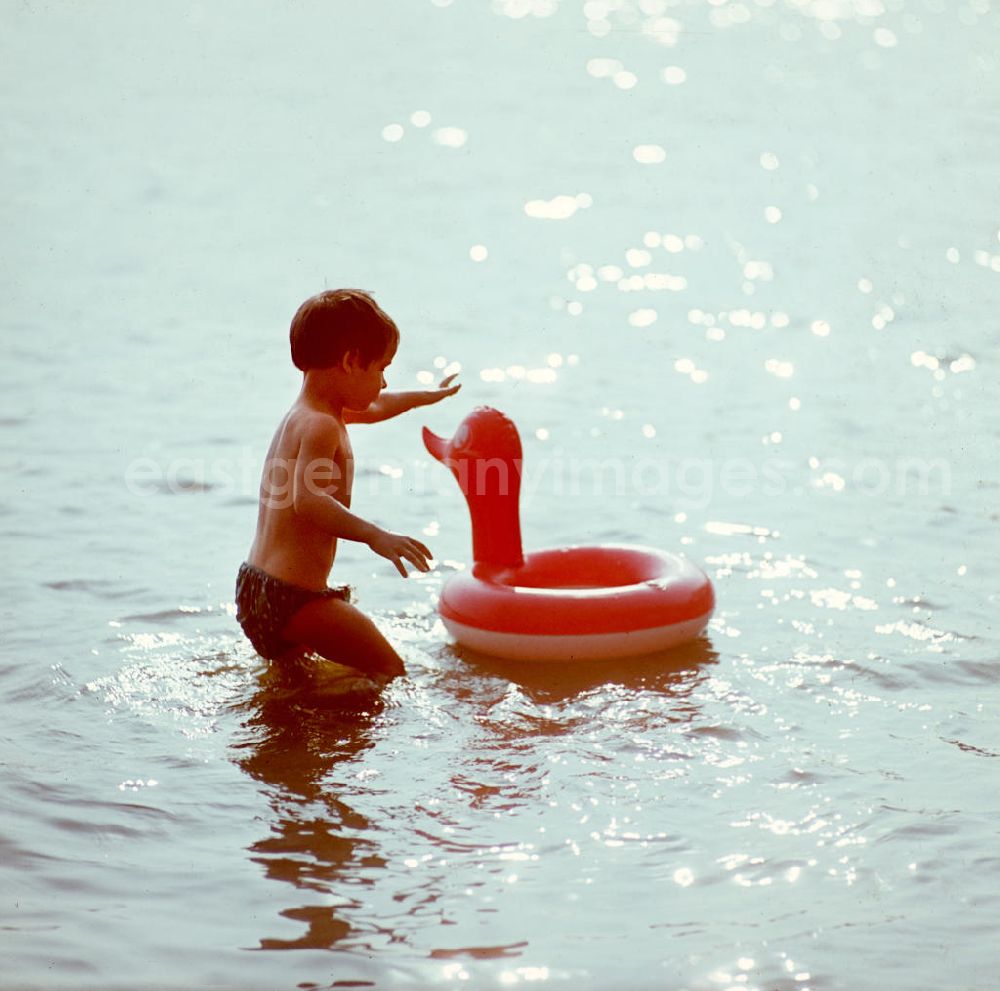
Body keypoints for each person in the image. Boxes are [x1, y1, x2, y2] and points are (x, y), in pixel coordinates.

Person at [235, 289, 460, 686]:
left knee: (298, 686)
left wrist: (428, 396)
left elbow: (377, 405)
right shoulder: (322, 426)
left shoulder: (307, 414)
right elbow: (307, 500)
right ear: (351, 361)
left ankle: (298, 731)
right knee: (389, 670)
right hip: (294, 600)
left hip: (257, 590)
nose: (385, 381)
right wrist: (375, 535)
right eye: (381, 368)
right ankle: (350, 739)